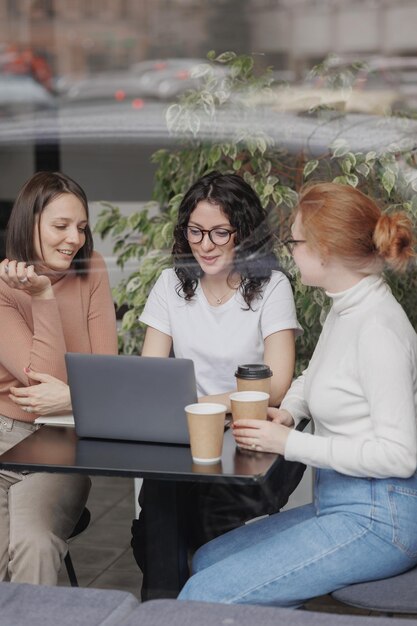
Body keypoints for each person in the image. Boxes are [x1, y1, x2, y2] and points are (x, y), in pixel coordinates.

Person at [178, 181, 417, 607]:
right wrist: (287, 412)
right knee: (209, 559)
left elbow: (400, 456)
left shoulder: (378, 329)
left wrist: (291, 443)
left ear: (325, 250)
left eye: (297, 241)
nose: (290, 249)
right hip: (342, 505)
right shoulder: (347, 307)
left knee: (205, 592)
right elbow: (313, 377)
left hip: (382, 520)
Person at [132, 170, 304, 595]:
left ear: (243, 234)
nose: (204, 245)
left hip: (247, 436)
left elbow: (277, 384)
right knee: (163, 503)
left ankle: (171, 607)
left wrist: (204, 403)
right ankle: (184, 608)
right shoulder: (172, 284)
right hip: (189, 438)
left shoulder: (271, 286)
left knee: (162, 528)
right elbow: (150, 373)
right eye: (195, 231)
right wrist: (195, 412)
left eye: (219, 233)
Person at [0, 171, 118, 585]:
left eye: (82, 228)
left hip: (60, 451)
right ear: (28, 224)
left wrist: (43, 295)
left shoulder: (92, 269)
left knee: (33, 544)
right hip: (3, 442)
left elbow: (105, 376)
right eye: (61, 226)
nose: (75, 239)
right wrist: (80, 395)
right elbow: (44, 382)